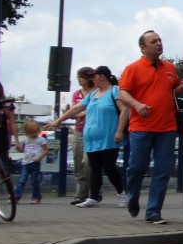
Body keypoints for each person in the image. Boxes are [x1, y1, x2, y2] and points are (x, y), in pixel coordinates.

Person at [118, 30, 183, 224]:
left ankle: (153, 211)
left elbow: (173, 90)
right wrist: (138, 105)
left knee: (163, 170)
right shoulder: (133, 68)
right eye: (153, 41)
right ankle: (132, 195)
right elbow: (123, 94)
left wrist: (181, 87)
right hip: (141, 126)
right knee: (136, 168)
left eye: (160, 40)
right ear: (143, 47)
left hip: (167, 127)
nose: (159, 43)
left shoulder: (170, 68)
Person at [48, 66, 128, 208]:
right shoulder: (93, 94)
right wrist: (58, 121)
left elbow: (124, 110)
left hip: (108, 136)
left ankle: (122, 194)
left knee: (110, 167)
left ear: (102, 76)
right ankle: (93, 197)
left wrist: (119, 131)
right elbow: (76, 109)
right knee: (94, 167)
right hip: (91, 138)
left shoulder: (114, 91)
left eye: (94, 76)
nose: (92, 79)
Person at [68, 67, 95, 204]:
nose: (79, 79)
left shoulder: (96, 92)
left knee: (88, 162)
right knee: (78, 162)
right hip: (78, 131)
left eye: (81, 77)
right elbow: (73, 112)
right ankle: (81, 193)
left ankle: (94, 190)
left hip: (91, 131)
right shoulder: (77, 94)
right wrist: (82, 113)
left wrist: (81, 113)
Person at [12, 119, 48, 203]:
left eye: (35, 132)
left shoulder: (41, 140)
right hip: (25, 162)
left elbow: (46, 150)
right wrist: (19, 149)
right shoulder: (25, 140)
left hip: (35, 162)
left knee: (34, 181)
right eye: (31, 133)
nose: (34, 135)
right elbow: (23, 150)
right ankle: (17, 196)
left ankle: (36, 197)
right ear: (27, 132)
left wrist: (39, 157)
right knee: (22, 179)